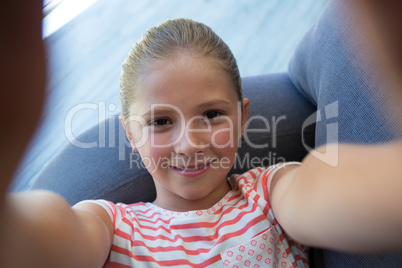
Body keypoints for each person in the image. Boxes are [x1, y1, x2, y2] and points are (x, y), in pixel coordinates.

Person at [3, 17, 402, 268]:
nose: (190, 143)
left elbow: (338, 193)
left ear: (243, 117)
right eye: (160, 121)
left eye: (211, 115)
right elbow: (45, 239)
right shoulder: (112, 227)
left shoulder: (271, 193)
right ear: (130, 134)